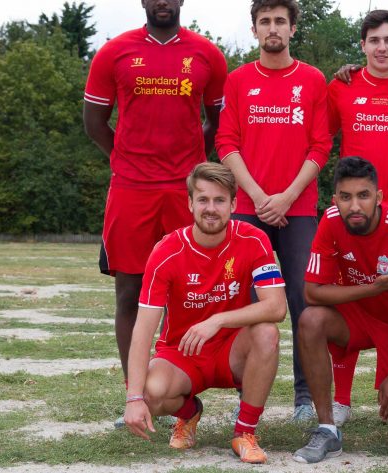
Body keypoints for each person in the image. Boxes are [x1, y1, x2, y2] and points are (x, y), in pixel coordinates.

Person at [83, 0, 228, 428]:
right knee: (130, 293)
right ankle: (137, 396)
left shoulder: (207, 54)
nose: (163, 1)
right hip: (131, 190)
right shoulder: (115, 52)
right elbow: (94, 123)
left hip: (185, 192)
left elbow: (217, 122)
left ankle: (177, 396)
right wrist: (127, 160)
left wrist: (191, 165)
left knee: (188, 294)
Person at [123, 162, 286, 464]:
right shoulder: (166, 251)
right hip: (182, 352)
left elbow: (277, 307)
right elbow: (143, 331)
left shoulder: (254, 239)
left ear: (233, 204)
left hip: (231, 349)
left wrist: (218, 320)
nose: (211, 209)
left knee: (267, 333)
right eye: (203, 200)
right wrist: (133, 398)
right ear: (190, 204)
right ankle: (189, 413)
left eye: (219, 200)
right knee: (149, 392)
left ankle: (244, 432)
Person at [215, 0, 331, 421]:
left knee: (304, 303)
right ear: (254, 30)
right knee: (247, 304)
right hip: (248, 209)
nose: (273, 28)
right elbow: (226, 143)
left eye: (280, 20)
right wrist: (261, 197)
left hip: (298, 211)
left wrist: (285, 197)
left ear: (293, 29)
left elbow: (321, 145)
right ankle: (246, 397)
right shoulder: (238, 80)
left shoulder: (312, 79)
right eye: (265, 21)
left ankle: (304, 399)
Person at [293, 157, 388, 463]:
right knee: (311, 320)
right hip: (362, 314)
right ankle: (327, 429)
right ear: (335, 199)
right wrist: (374, 289)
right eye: (345, 197)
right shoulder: (331, 221)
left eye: (363, 195)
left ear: (379, 197)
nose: (355, 206)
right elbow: (312, 292)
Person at [325, 7, 388, 426]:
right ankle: (341, 400)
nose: (381, 47)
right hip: (352, 214)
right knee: (347, 300)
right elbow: (319, 138)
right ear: (363, 45)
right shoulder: (342, 86)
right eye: (374, 40)